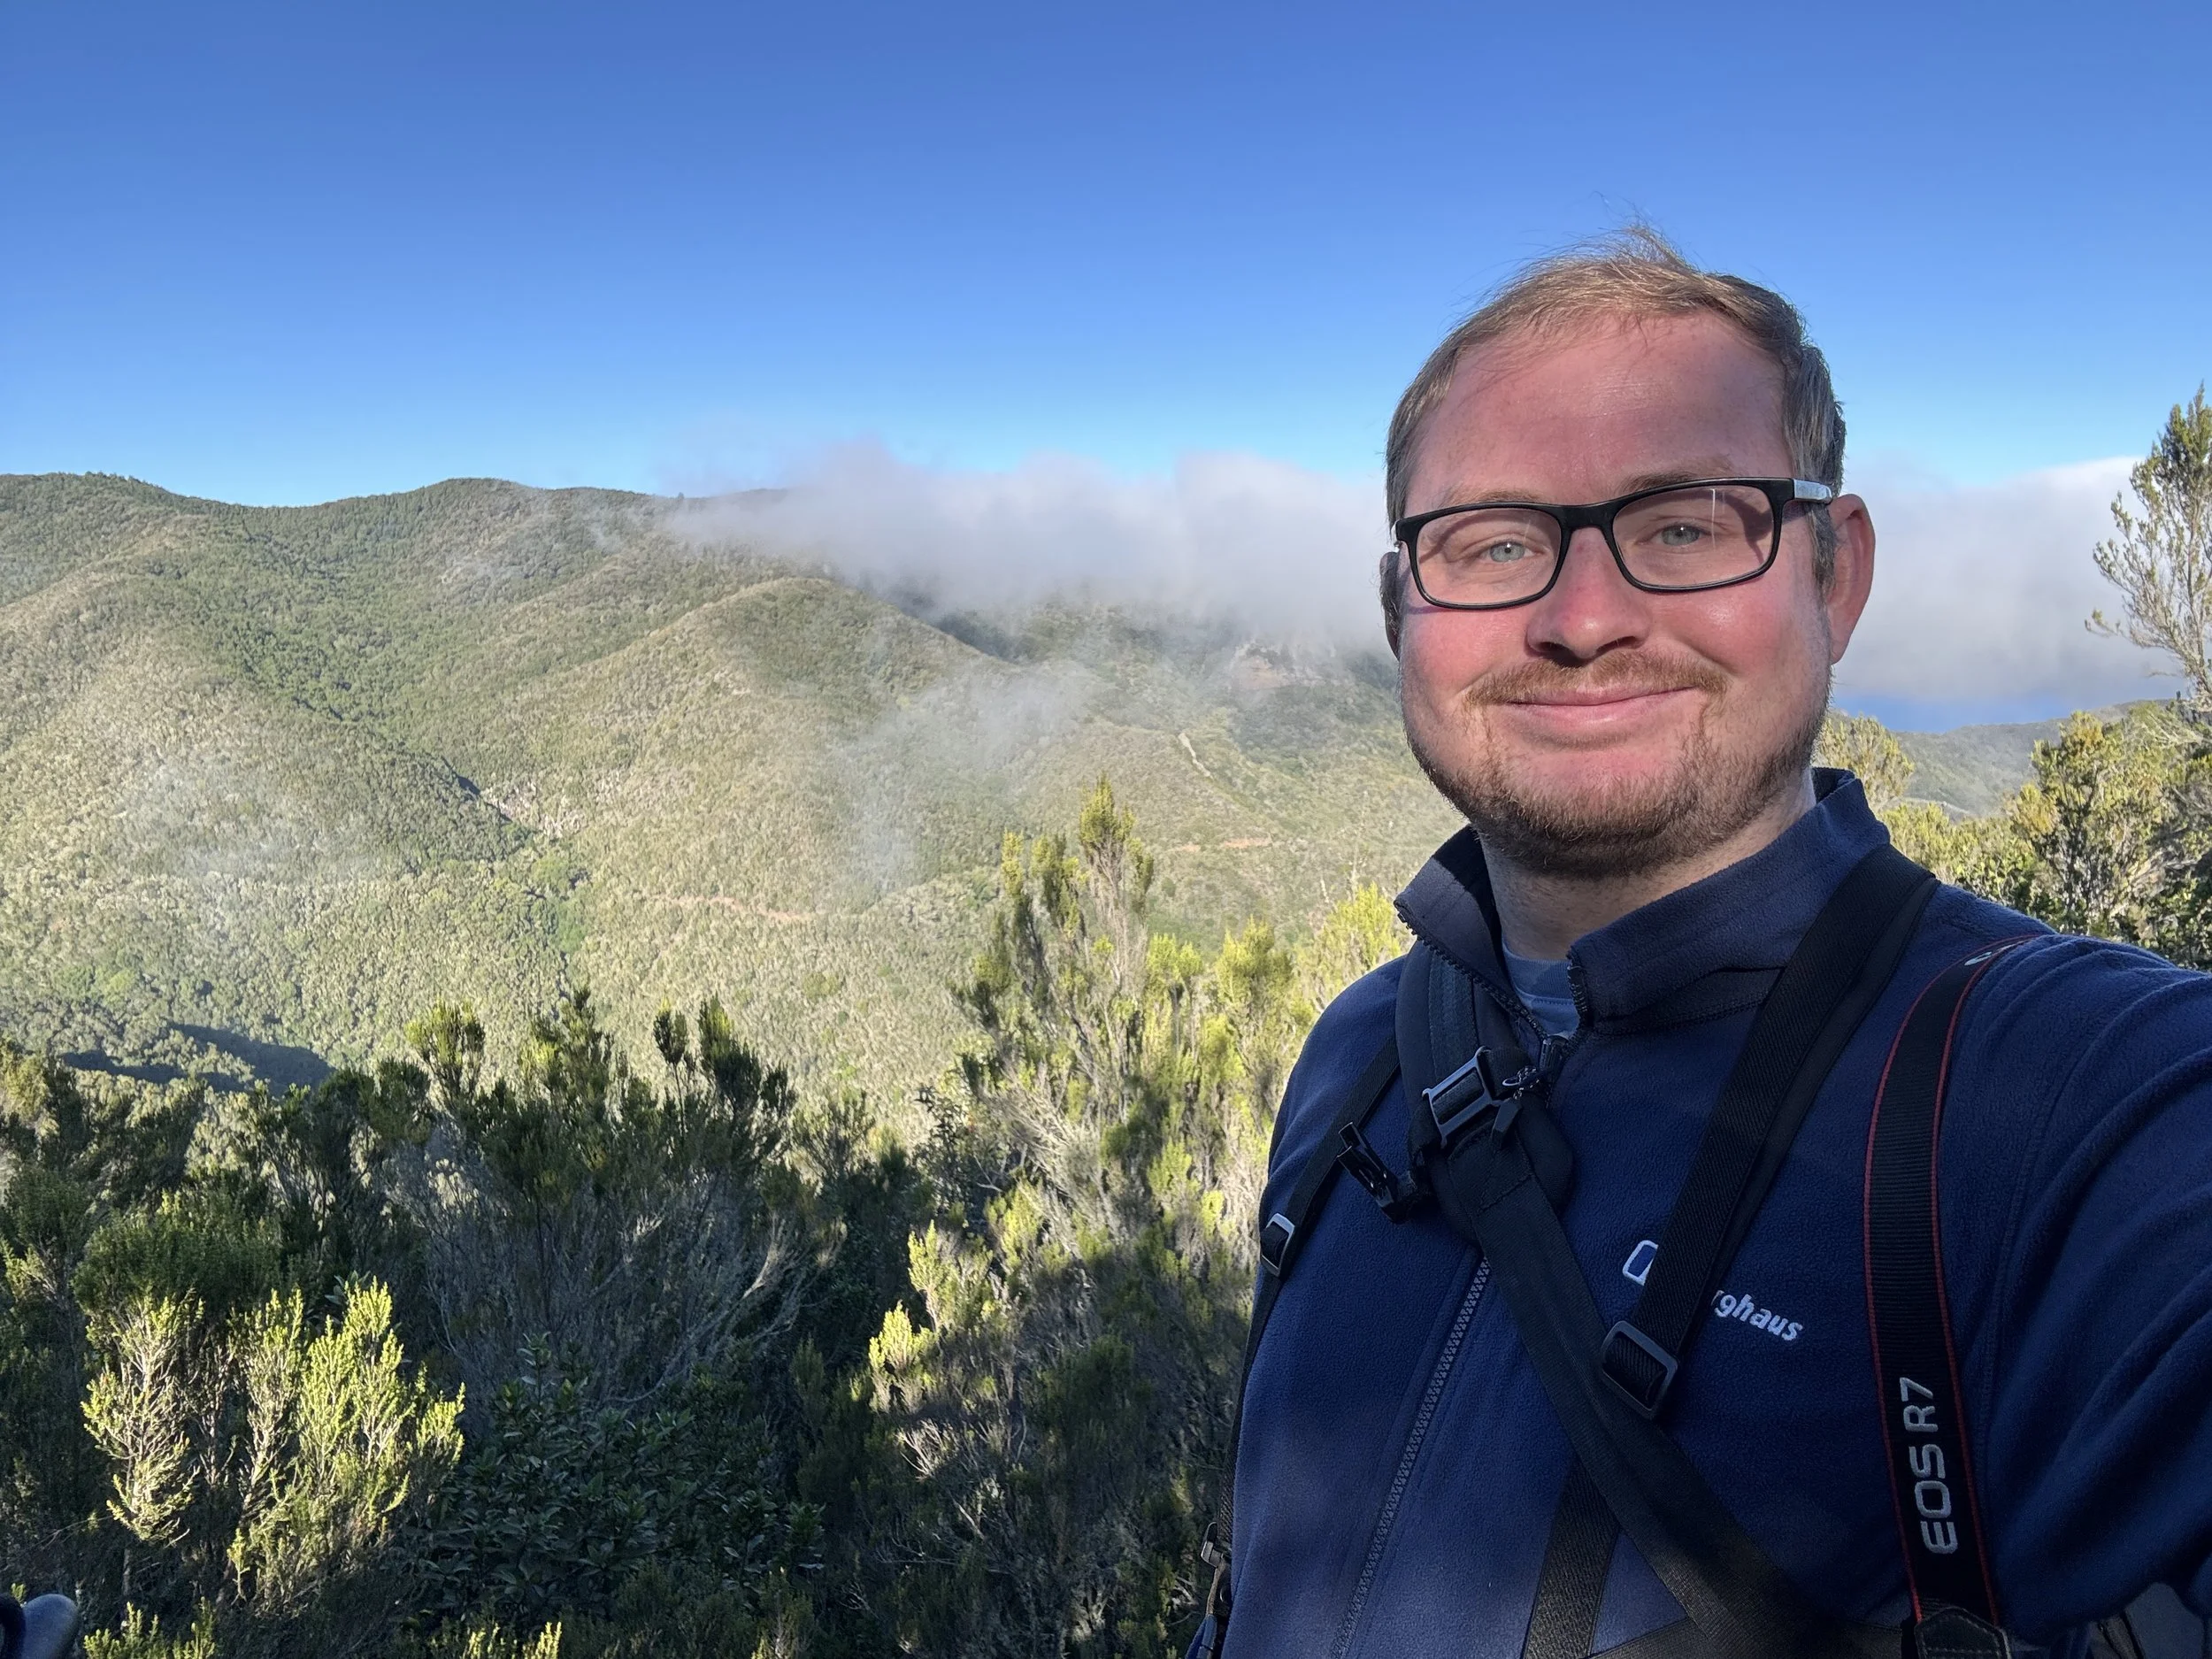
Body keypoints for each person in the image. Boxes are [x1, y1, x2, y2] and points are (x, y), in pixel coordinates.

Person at [1205, 231, 2212, 1659]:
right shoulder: (1357, 1058)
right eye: (1494, 542)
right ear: (1400, 611)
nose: (1583, 618)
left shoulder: (2047, 1100)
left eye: (1685, 525)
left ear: (1835, 575)